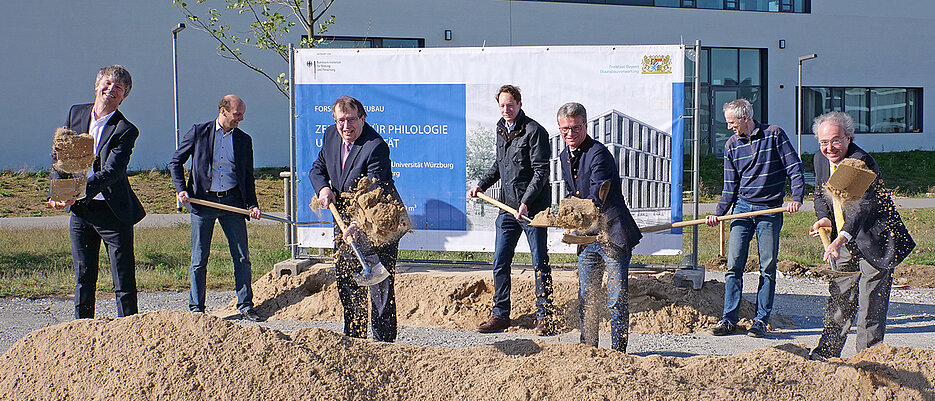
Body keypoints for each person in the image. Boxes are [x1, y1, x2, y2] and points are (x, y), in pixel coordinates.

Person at [807, 112, 915, 360]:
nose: (829, 148)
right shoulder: (820, 159)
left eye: (835, 140)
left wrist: (839, 238)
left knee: (870, 305)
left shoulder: (860, 162)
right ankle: (826, 354)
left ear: (848, 137)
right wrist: (824, 218)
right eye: (823, 142)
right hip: (844, 242)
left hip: (875, 241)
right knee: (840, 297)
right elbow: (819, 193)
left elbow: (859, 208)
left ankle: (868, 360)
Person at [48, 65, 146, 318]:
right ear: (97, 85)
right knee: (83, 276)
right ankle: (82, 328)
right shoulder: (76, 113)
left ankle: (129, 329)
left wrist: (77, 191)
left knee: (123, 279)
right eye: (108, 83)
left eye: (119, 88)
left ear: (124, 96)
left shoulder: (126, 129)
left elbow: (112, 173)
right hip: (81, 212)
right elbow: (61, 156)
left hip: (113, 213)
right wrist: (57, 193)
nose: (111, 89)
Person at [706, 98, 805, 338]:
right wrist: (718, 214)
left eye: (732, 122)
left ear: (745, 118)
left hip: (770, 209)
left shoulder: (774, 135)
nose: (729, 127)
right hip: (742, 208)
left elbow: (794, 168)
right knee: (733, 266)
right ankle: (729, 319)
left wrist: (797, 198)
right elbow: (729, 186)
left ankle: (761, 320)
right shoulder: (731, 145)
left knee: (768, 267)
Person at [309, 96, 400, 342]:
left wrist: (357, 224)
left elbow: (374, 191)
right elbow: (318, 168)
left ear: (362, 118)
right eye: (341, 120)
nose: (346, 126)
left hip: (377, 223)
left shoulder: (375, 146)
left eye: (351, 119)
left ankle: (384, 343)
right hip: (343, 220)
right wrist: (323, 189)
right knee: (347, 278)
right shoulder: (331, 136)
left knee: (379, 284)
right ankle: (354, 339)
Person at [468, 85, 554, 335]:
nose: (506, 110)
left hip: (532, 210)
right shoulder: (500, 128)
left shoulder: (535, 131)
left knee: (540, 262)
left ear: (519, 104)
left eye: (510, 105)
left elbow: (541, 172)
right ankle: (500, 314)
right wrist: (481, 184)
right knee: (500, 261)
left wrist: (526, 201)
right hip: (506, 209)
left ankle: (544, 316)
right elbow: (499, 165)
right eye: (502, 105)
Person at [169, 95, 263, 322]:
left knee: (242, 257)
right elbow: (175, 162)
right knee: (199, 258)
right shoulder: (199, 132)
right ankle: (197, 309)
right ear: (223, 111)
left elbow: (247, 176)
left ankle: (245, 305)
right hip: (203, 203)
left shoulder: (243, 140)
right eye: (237, 114)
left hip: (232, 203)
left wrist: (252, 204)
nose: (241, 118)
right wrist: (182, 190)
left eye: (242, 114)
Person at [557, 102, 642, 352]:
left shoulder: (599, 153)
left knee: (616, 299)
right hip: (588, 237)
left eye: (575, 128)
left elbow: (597, 193)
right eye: (564, 129)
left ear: (585, 125)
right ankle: (588, 350)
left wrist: (575, 217)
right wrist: (571, 222)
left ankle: (618, 353)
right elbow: (575, 193)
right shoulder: (565, 156)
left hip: (612, 234)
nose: (570, 134)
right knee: (588, 298)